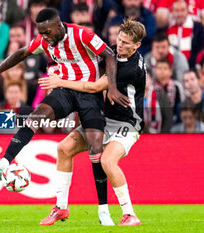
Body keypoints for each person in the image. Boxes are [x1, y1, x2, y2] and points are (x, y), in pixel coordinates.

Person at [0, 8, 128, 221]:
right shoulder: (45, 40)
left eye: (47, 32)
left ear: (58, 26)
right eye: (41, 33)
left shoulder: (82, 34)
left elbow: (109, 54)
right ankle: (3, 163)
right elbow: (21, 53)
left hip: (89, 93)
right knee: (34, 118)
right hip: (64, 91)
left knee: (96, 148)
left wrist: (111, 87)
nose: (44, 38)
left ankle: (103, 210)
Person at [37, 18, 146, 226]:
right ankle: (60, 208)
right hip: (106, 118)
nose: (119, 45)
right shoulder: (115, 52)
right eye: (119, 40)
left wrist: (60, 81)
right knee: (64, 148)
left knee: (107, 161)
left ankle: (130, 214)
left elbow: (95, 87)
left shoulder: (131, 69)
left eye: (125, 43)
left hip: (128, 123)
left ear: (137, 46)